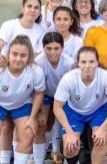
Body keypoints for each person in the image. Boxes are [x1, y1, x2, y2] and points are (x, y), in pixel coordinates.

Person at [0, 35, 45, 164]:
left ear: (29, 56)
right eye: (15, 54)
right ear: (8, 53)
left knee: (29, 132)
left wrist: (32, 118)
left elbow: (39, 93)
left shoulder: (36, 71)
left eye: (23, 55)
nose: (18, 59)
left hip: (22, 104)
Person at [53, 46, 107, 164]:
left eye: (91, 61)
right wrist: (69, 133)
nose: (87, 65)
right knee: (70, 147)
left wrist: (103, 128)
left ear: (97, 63)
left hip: (98, 111)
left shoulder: (105, 76)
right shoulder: (68, 79)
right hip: (74, 112)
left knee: (100, 141)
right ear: (78, 64)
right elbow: (57, 107)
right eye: (83, 62)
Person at [33, 32, 75, 164]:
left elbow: (71, 89)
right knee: (42, 124)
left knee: (61, 121)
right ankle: (38, 159)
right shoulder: (38, 62)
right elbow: (37, 90)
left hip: (63, 96)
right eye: (48, 48)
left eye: (56, 48)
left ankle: (56, 152)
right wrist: (40, 113)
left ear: (62, 48)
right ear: (43, 48)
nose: (53, 52)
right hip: (44, 94)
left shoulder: (69, 63)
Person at [0, 0, 46, 68]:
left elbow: (36, 54)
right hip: (5, 65)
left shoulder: (42, 31)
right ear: (22, 9)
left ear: (40, 12)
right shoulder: (8, 25)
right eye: (29, 6)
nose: (32, 10)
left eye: (36, 8)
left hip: (28, 67)